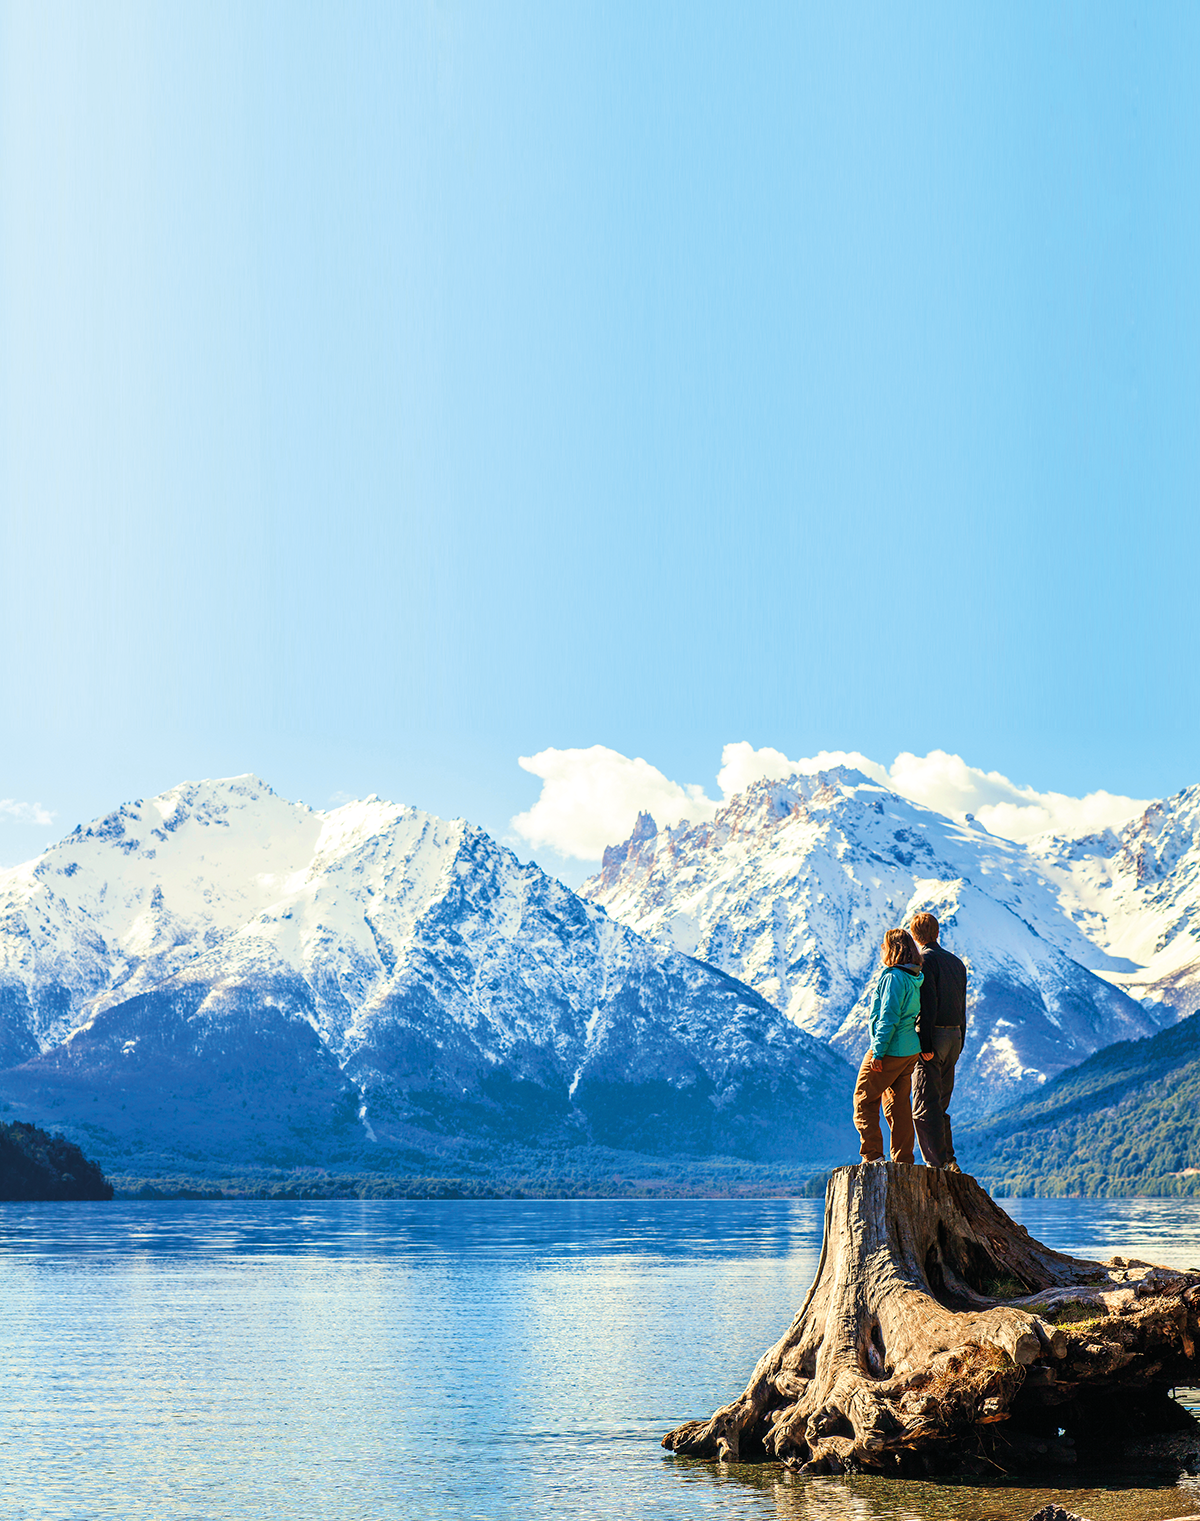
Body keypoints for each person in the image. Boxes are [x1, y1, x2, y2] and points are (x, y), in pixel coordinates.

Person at [853, 928, 925, 1165]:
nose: (881, 950)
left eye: (884, 946)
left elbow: (888, 1017)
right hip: (909, 1051)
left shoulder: (893, 977)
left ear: (892, 949)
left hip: (890, 1049)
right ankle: (903, 1159)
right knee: (898, 1106)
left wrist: (878, 1052)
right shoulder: (914, 977)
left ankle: (872, 1156)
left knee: (863, 1099)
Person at [909, 912, 969, 1171]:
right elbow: (962, 1006)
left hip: (933, 1036)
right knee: (941, 1104)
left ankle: (938, 1164)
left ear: (915, 936)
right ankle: (949, 1160)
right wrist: (960, 1041)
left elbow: (928, 1003)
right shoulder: (957, 963)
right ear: (937, 933)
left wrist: (925, 1044)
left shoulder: (924, 961)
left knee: (923, 1105)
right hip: (955, 1036)